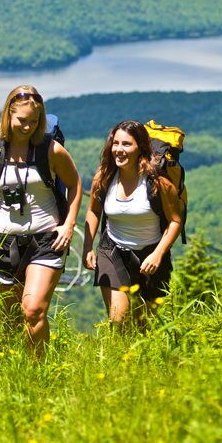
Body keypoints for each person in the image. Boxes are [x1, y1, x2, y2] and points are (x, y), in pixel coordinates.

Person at [0, 85, 82, 355]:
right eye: (22, 120)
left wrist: (68, 225)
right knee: (11, 316)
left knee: (33, 309)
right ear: (8, 115)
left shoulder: (51, 151)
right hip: (5, 242)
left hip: (46, 240)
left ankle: (37, 371)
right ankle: (10, 366)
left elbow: (75, 185)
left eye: (34, 121)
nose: (28, 127)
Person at [83, 120, 182, 328]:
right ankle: (118, 357)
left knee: (144, 324)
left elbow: (175, 221)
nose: (119, 150)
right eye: (115, 143)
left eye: (127, 144)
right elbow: (93, 211)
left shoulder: (159, 183)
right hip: (112, 251)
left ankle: (137, 360)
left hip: (151, 254)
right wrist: (87, 247)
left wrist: (158, 254)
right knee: (119, 320)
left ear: (141, 148)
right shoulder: (104, 177)